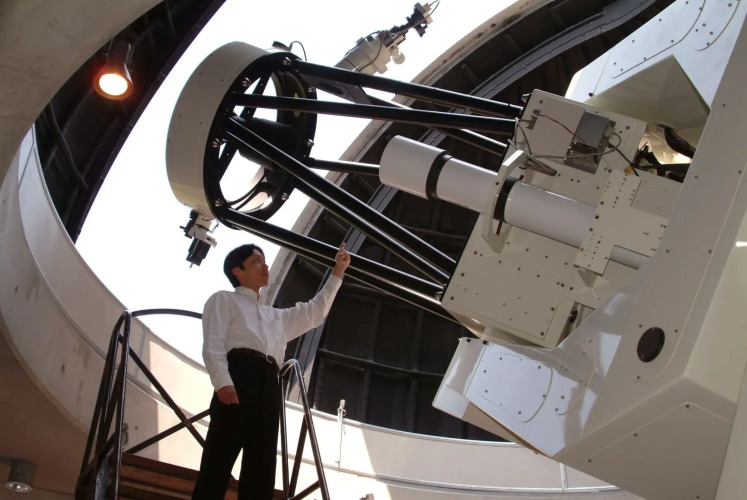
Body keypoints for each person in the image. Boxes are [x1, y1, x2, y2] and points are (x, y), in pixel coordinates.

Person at [192, 242, 351, 499]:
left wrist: (338, 272)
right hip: (239, 376)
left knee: (262, 466)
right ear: (237, 270)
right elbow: (214, 343)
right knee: (218, 459)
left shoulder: (276, 316)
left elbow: (315, 312)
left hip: (270, 383)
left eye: (264, 261)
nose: (264, 266)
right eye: (256, 261)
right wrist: (223, 382)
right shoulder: (223, 299)